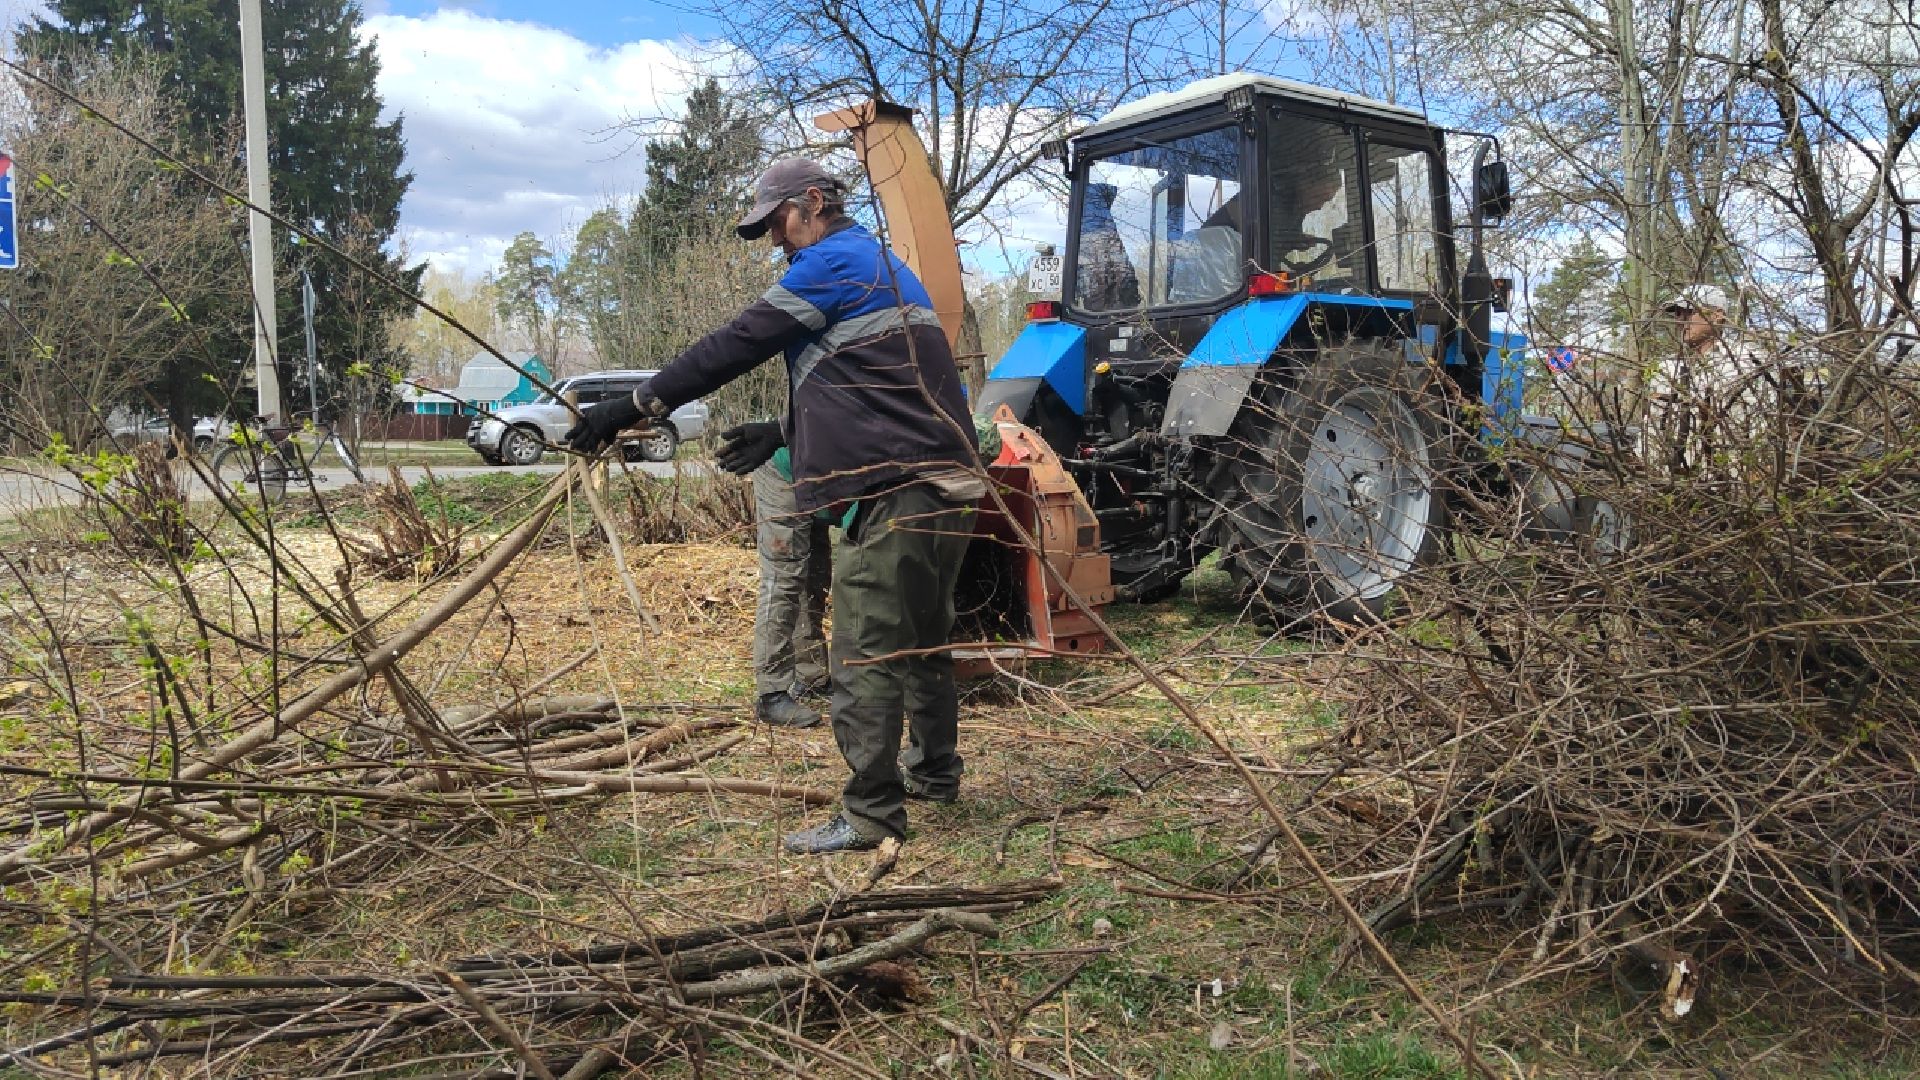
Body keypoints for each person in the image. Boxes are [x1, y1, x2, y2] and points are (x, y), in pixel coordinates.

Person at [565, 157, 981, 855]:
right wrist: (784, 432)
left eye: (778, 225)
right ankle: (934, 774)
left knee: (865, 656)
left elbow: (737, 343)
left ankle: (872, 815)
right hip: (949, 488)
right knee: (921, 645)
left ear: (813, 203)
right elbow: (885, 392)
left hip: (895, 495)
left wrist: (633, 405)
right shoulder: (879, 264)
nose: (775, 244)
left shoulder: (833, 261)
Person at [750, 445, 830, 728]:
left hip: (820, 481)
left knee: (815, 576)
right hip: (784, 473)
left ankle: (812, 676)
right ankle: (771, 693)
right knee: (784, 577)